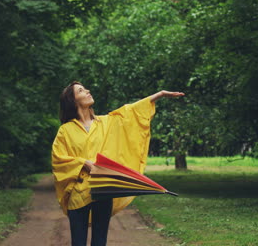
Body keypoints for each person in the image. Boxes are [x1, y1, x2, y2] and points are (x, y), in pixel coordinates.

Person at [52, 81, 184, 246]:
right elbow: (58, 158)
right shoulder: (65, 130)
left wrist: (159, 95)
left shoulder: (106, 123)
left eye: (85, 88)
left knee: (99, 241)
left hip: (102, 189)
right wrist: (82, 162)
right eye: (81, 90)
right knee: (78, 242)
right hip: (78, 194)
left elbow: (131, 112)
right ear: (72, 100)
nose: (87, 91)